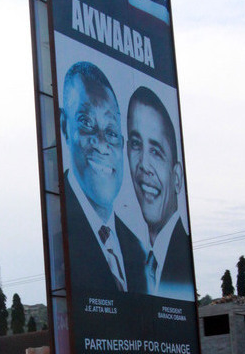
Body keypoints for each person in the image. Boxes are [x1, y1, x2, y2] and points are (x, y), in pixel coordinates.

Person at [60, 62, 146, 294]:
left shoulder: (138, 251)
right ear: (65, 127)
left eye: (110, 132)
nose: (102, 144)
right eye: (86, 123)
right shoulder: (59, 227)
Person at [127, 86, 194, 301]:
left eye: (156, 151)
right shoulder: (130, 264)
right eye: (136, 145)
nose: (144, 165)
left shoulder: (182, 267)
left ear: (176, 177)